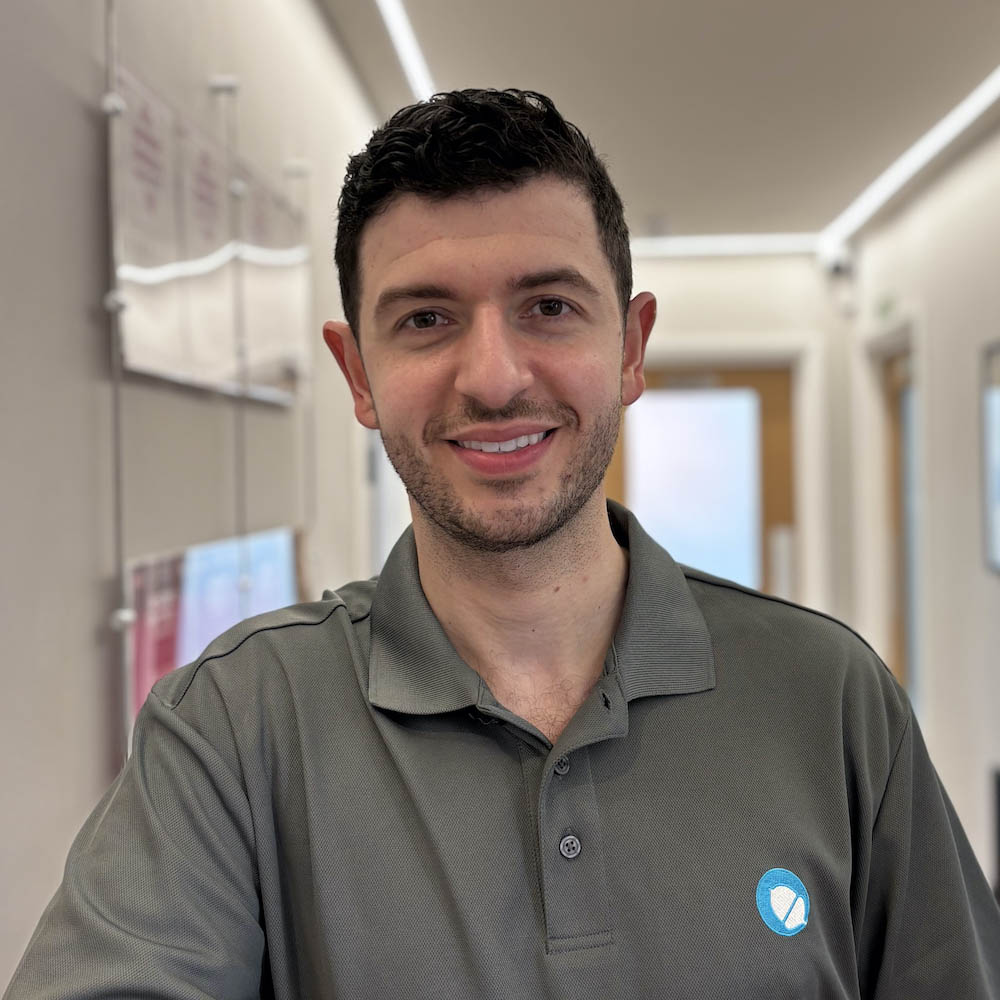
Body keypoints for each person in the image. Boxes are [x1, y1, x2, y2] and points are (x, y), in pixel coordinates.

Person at [6, 88, 1000, 1000]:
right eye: (426, 318)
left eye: (549, 307)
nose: (492, 377)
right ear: (357, 374)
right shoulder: (233, 726)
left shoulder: (832, 699)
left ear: (630, 348)